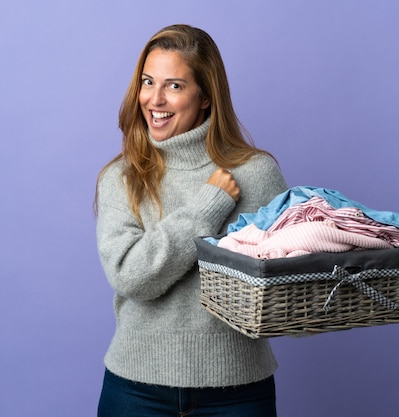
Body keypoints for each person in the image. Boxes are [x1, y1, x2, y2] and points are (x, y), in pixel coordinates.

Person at [94, 24, 288, 417]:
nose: (154, 99)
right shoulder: (123, 177)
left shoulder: (256, 173)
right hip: (136, 392)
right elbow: (131, 276)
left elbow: (284, 278)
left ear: (205, 97)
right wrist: (207, 208)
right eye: (148, 82)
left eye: (175, 86)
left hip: (238, 392)